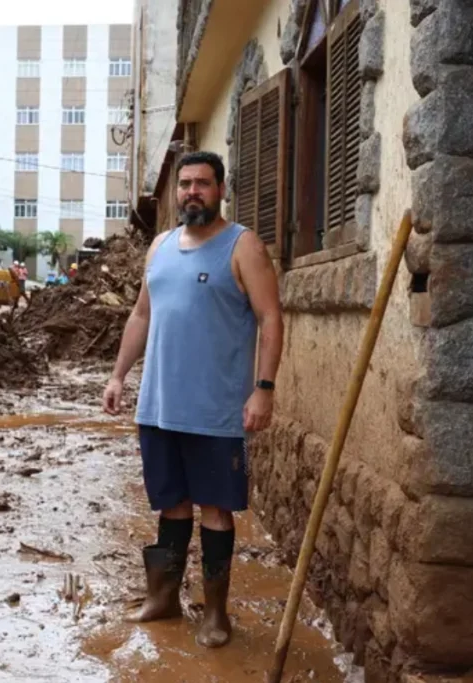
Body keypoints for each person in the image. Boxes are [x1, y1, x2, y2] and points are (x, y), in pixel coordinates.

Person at [102, 150, 283, 648]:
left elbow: (271, 318)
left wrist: (263, 390)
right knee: (171, 504)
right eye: (185, 184)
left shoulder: (242, 246)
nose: (191, 192)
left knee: (215, 509)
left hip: (216, 411)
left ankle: (216, 613)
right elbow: (141, 315)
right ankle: (163, 599)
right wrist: (118, 376)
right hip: (159, 407)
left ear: (221, 189)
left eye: (203, 183)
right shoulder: (159, 246)